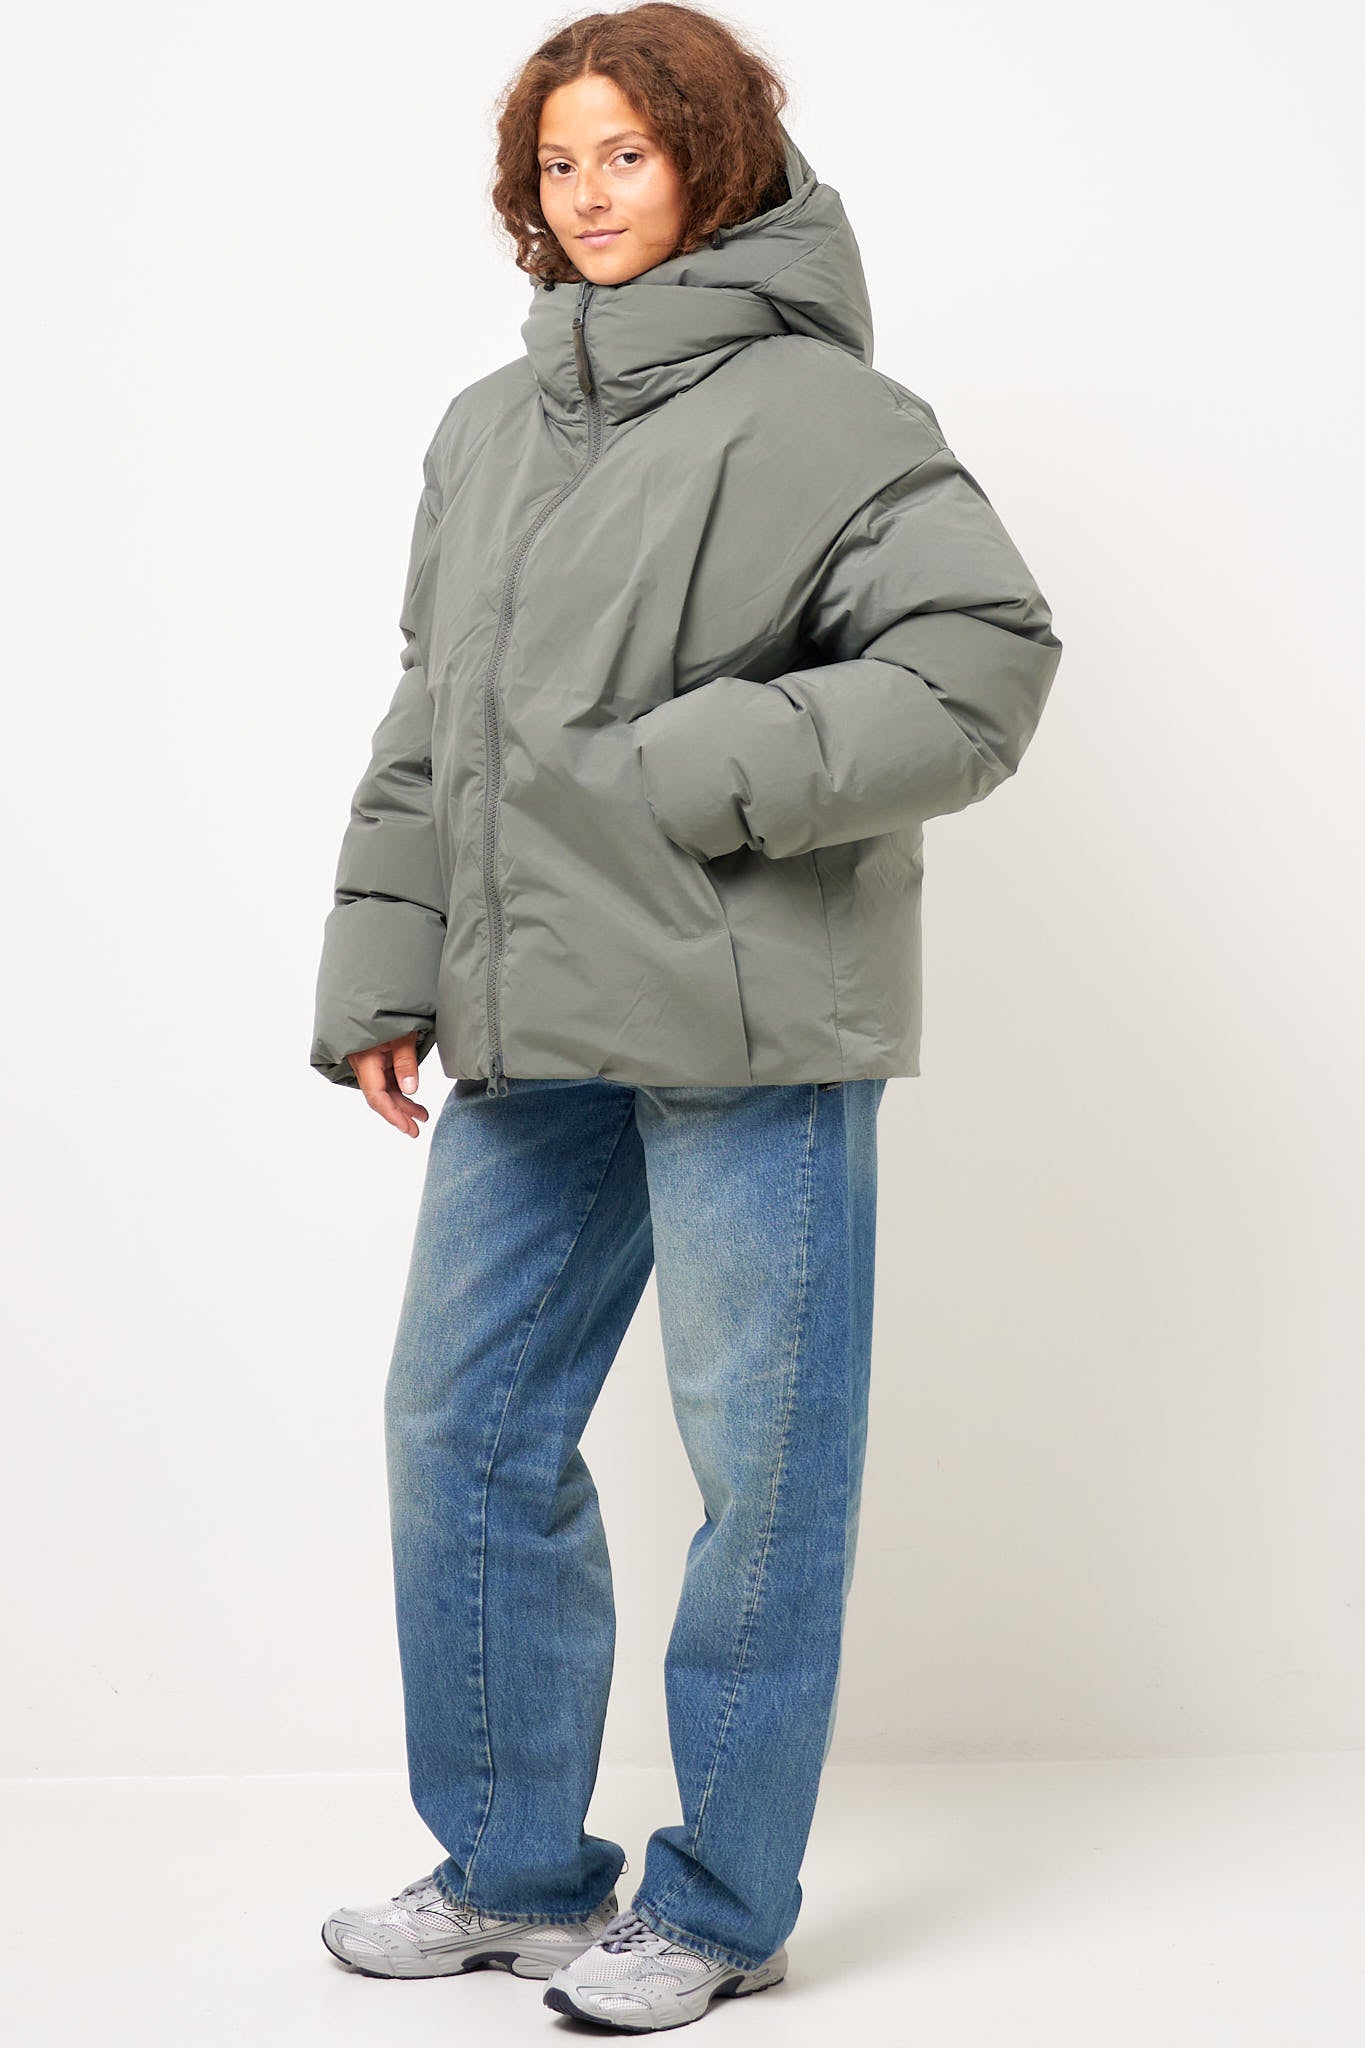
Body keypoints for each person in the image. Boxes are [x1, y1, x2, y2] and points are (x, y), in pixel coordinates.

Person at [311, 3, 1062, 2031]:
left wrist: (701, 768)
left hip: (750, 1020)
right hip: (529, 1013)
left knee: (761, 1473)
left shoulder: (830, 412)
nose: (587, 195)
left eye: (626, 155)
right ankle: (513, 1875)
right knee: (461, 1426)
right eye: (555, 163)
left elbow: (981, 661)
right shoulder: (486, 425)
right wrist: (383, 962)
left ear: (714, 163)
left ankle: (720, 1907)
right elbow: (433, 720)